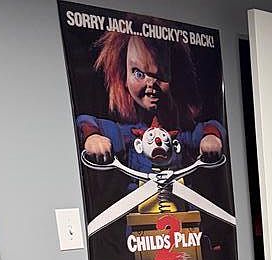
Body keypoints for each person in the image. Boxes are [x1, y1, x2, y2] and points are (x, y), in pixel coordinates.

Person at [77, 27, 224, 172]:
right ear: (124, 78)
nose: (151, 84)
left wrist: (211, 137)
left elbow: (209, 127)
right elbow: (86, 122)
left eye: (161, 73)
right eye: (139, 74)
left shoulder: (182, 133)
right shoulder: (126, 133)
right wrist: (93, 137)